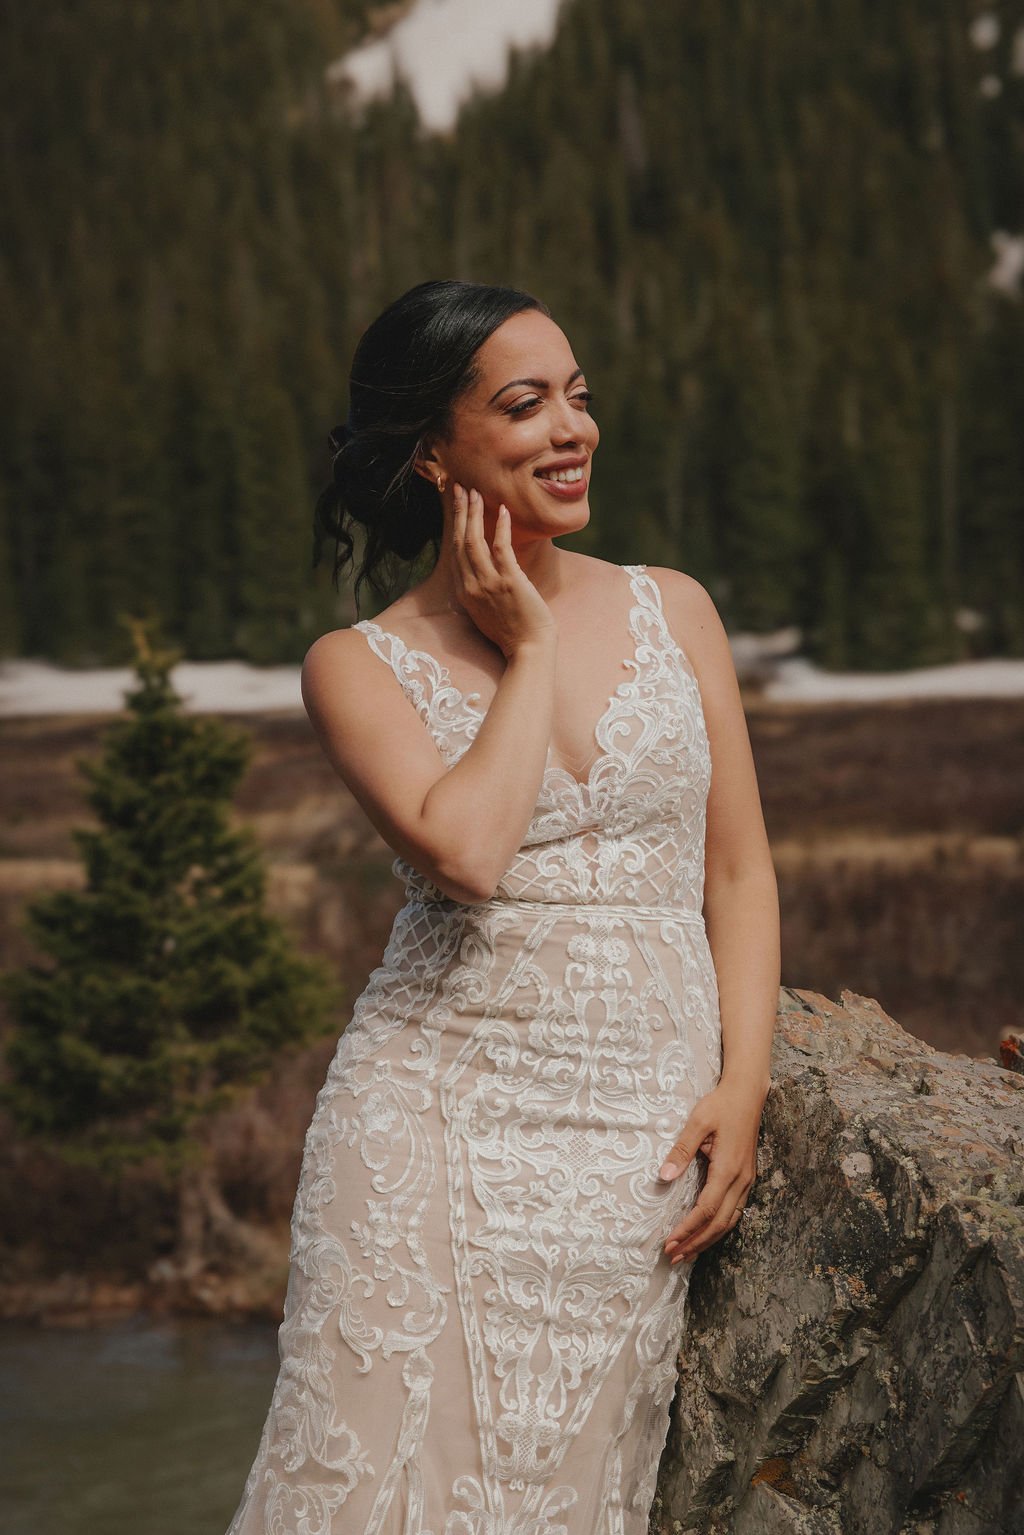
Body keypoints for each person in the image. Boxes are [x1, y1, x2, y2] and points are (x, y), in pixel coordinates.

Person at [224, 279, 780, 1534]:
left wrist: (744, 1085)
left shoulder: (672, 605)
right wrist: (524, 648)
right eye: (524, 405)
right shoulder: (354, 664)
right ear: (431, 450)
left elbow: (738, 871)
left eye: (578, 397)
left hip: (633, 1144)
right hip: (429, 1128)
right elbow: (468, 854)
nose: (571, 429)